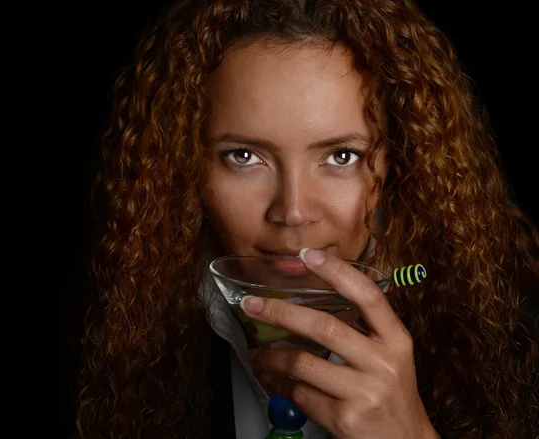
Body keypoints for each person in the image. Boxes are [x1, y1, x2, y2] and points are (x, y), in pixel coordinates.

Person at [74, 0, 539, 437]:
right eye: (243, 155)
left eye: (341, 156)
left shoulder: (501, 326)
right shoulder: (103, 328)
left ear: (400, 161)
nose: (293, 212)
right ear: (184, 164)